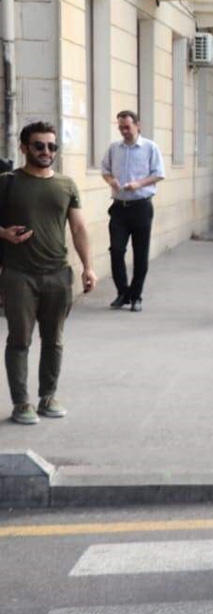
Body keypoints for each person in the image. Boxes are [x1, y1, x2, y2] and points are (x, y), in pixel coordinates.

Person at [0, 122, 97, 425]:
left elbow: (79, 228)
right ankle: (21, 403)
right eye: (39, 145)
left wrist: (88, 267)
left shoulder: (66, 185)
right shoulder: (7, 181)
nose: (46, 151)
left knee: (54, 339)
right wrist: (3, 233)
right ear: (24, 147)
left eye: (52, 146)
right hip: (18, 274)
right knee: (19, 339)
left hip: (58, 273)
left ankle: (47, 396)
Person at [100, 110, 164, 312]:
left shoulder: (150, 148)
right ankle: (122, 292)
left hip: (141, 206)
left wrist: (139, 184)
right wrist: (112, 181)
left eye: (127, 127)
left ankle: (136, 296)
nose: (124, 131)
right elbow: (105, 170)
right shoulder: (114, 148)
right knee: (116, 250)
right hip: (119, 207)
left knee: (140, 253)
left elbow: (159, 174)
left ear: (138, 125)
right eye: (120, 127)